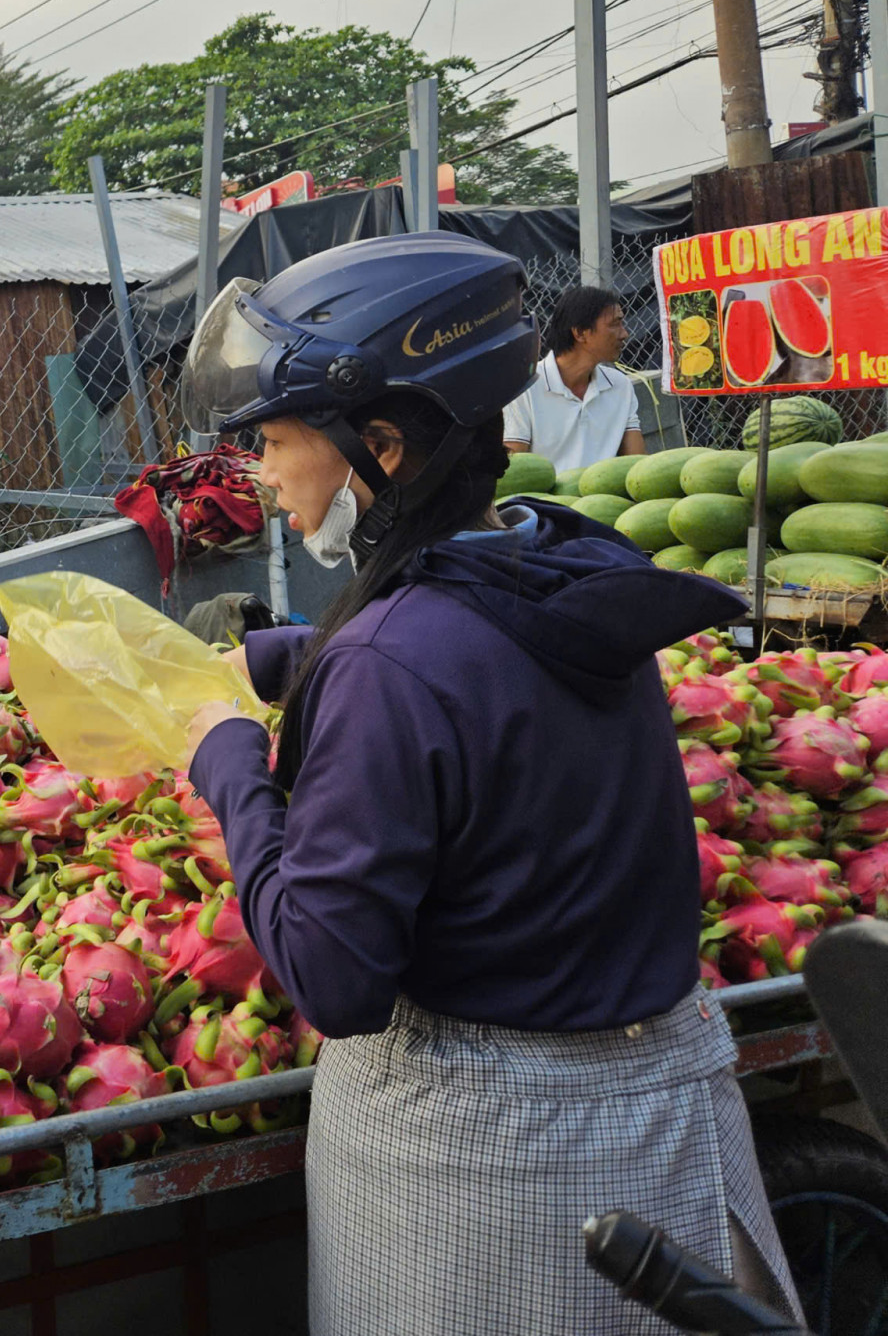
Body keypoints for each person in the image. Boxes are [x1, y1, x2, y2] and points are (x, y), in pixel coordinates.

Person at [177, 234, 797, 1334]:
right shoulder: (567, 559)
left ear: (378, 446)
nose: (259, 475)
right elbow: (462, 647)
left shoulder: (389, 664)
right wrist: (293, 659)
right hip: (660, 1122)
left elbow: (333, 976)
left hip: (492, 1175)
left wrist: (230, 763)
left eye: (271, 442)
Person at [502, 284, 646, 470]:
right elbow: (515, 473)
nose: (624, 334)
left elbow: (639, 467)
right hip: (542, 499)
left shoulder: (620, 386)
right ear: (579, 333)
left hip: (604, 496)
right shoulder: (523, 388)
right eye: (614, 324)